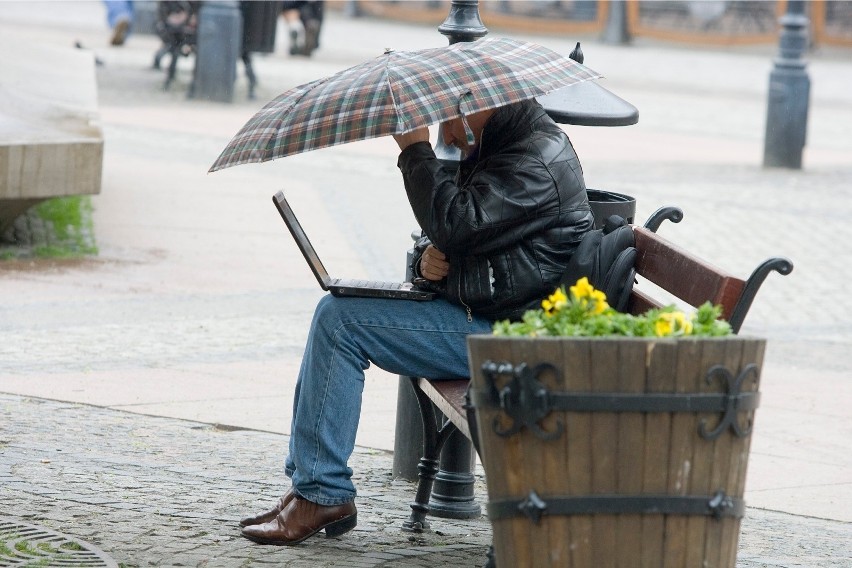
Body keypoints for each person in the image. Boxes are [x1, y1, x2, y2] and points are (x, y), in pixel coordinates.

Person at [239, 98, 595, 546]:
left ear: (477, 106)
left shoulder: (533, 161)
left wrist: (413, 150)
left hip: (512, 335)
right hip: (495, 316)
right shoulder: (511, 146)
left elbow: (457, 222)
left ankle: (319, 491)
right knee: (337, 313)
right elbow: (468, 233)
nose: (445, 136)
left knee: (340, 322)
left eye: (447, 119)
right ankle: (310, 487)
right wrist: (430, 259)